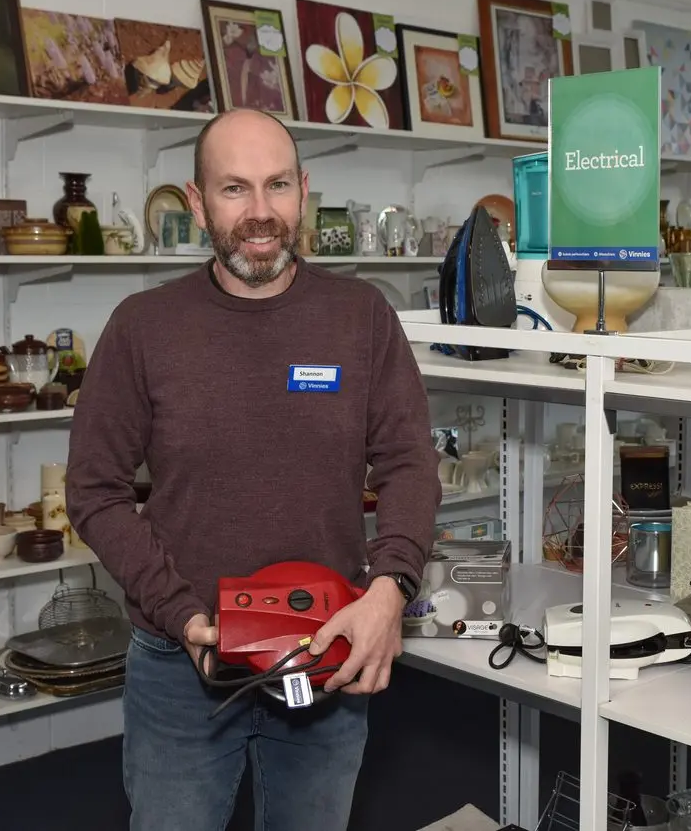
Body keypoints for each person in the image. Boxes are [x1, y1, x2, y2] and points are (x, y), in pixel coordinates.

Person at [66, 108, 440, 831]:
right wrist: (180, 613)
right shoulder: (143, 327)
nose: (261, 213)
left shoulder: (361, 316)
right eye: (235, 189)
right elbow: (95, 490)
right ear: (197, 201)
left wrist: (391, 587)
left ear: (304, 190)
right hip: (181, 667)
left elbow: (408, 461)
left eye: (277, 185)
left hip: (327, 652)